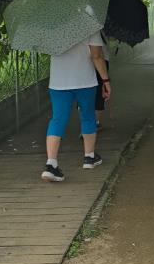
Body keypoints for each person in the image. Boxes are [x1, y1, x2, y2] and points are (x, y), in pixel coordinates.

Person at [42, 31, 110, 182]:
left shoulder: (51, 25)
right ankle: (89, 157)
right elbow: (96, 56)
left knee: (58, 120)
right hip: (84, 80)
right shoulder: (89, 25)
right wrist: (106, 80)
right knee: (88, 116)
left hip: (58, 81)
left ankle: (51, 164)